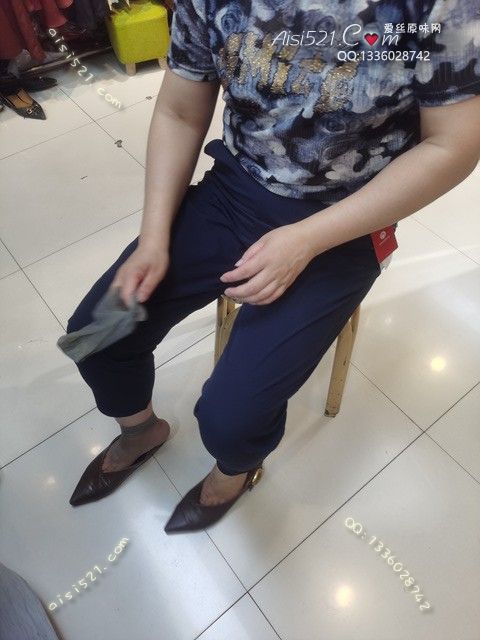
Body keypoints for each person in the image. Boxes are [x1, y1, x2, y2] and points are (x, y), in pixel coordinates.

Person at [66, 0, 480, 533]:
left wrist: (308, 239)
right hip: (235, 190)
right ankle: (140, 430)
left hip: (347, 219)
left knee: (232, 416)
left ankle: (235, 472)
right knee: (97, 334)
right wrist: (154, 238)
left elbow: (454, 144)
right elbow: (180, 110)